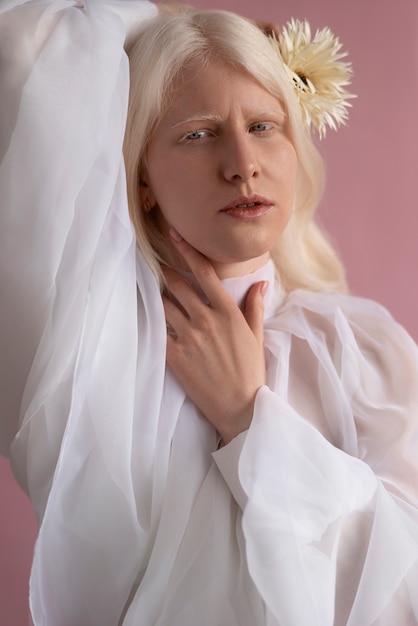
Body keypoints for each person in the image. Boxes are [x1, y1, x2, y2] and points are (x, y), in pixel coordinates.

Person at [0, 2, 417, 625]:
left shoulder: (365, 347)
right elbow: (22, 36)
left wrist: (248, 416)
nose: (242, 163)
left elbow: (402, 588)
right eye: (197, 133)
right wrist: (181, 25)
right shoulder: (85, 336)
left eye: (265, 125)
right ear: (142, 174)